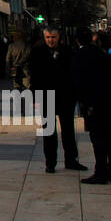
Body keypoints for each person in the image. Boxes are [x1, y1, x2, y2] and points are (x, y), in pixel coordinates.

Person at [27, 27, 85, 173]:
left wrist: (75, 95)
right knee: (48, 132)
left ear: (58, 37)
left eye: (53, 37)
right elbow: (34, 76)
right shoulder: (37, 52)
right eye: (47, 37)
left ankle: (71, 160)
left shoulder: (68, 52)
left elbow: (74, 74)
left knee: (68, 130)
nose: (50, 40)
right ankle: (50, 162)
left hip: (65, 96)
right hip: (46, 96)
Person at [73, 27, 111, 184]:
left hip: (92, 103)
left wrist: (81, 101)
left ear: (77, 40)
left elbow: (77, 81)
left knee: (97, 137)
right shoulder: (101, 53)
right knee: (109, 135)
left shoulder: (80, 56)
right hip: (108, 100)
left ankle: (100, 172)